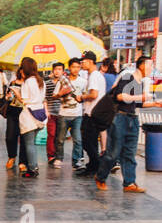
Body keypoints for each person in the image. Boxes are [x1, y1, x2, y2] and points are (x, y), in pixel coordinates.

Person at [95, 55, 158, 193]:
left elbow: (137, 103)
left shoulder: (140, 83)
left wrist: (155, 103)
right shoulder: (128, 78)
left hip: (133, 119)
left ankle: (129, 183)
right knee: (113, 152)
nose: (151, 68)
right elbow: (121, 96)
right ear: (141, 66)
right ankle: (100, 177)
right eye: (150, 65)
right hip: (120, 118)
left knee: (130, 153)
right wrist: (140, 97)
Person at [12, 55, 46, 178]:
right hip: (40, 115)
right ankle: (33, 166)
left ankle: (32, 168)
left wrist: (16, 93)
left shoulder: (28, 82)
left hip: (29, 116)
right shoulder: (41, 81)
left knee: (29, 144)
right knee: (32, 143)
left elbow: (24, 101)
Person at [75, 51, 107, 177]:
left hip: (93, 114)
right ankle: (93, 166)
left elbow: (94, 95)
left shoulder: (94, 76)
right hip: (93, 113)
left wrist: (82, 97)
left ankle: (97, 166)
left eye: (83, 62)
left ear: (90, 61)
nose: (81, 64)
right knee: (91, 141)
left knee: (88, 141)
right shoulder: (94, 75)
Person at [52, 58, 86, 166]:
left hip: (77, 114)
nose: (76, 69)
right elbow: (54, 96)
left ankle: (76, 160)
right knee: (60, 139)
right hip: (63, 114)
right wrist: (61, 93)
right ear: (69, 68)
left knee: (78, 140)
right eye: (73, 67)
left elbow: (86, 96)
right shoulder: (62, 80)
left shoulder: (83, 82)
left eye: (78, 67)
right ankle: (59, 158)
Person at [3, 65, 26, 171]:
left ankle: (22, 161)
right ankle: (11, 157)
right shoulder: (13, 83)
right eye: (22, 71)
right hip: (13, 112)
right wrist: (7, 97)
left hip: (25, 113)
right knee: (10, 136)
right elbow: (8, 96)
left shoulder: (29, 84)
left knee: (24, 138)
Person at [44, 62, 63, 165]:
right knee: (51, 134)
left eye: (59, 69)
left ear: (63, 71)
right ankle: (51, 155)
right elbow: (45, 98)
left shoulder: (65, 83)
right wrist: (46, 110)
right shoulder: (48, 83)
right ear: (52, 71)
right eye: (56, 69)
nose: (57, 71)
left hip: (62, 113)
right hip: (51, 112)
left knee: (59, 136)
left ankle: (58, 155)